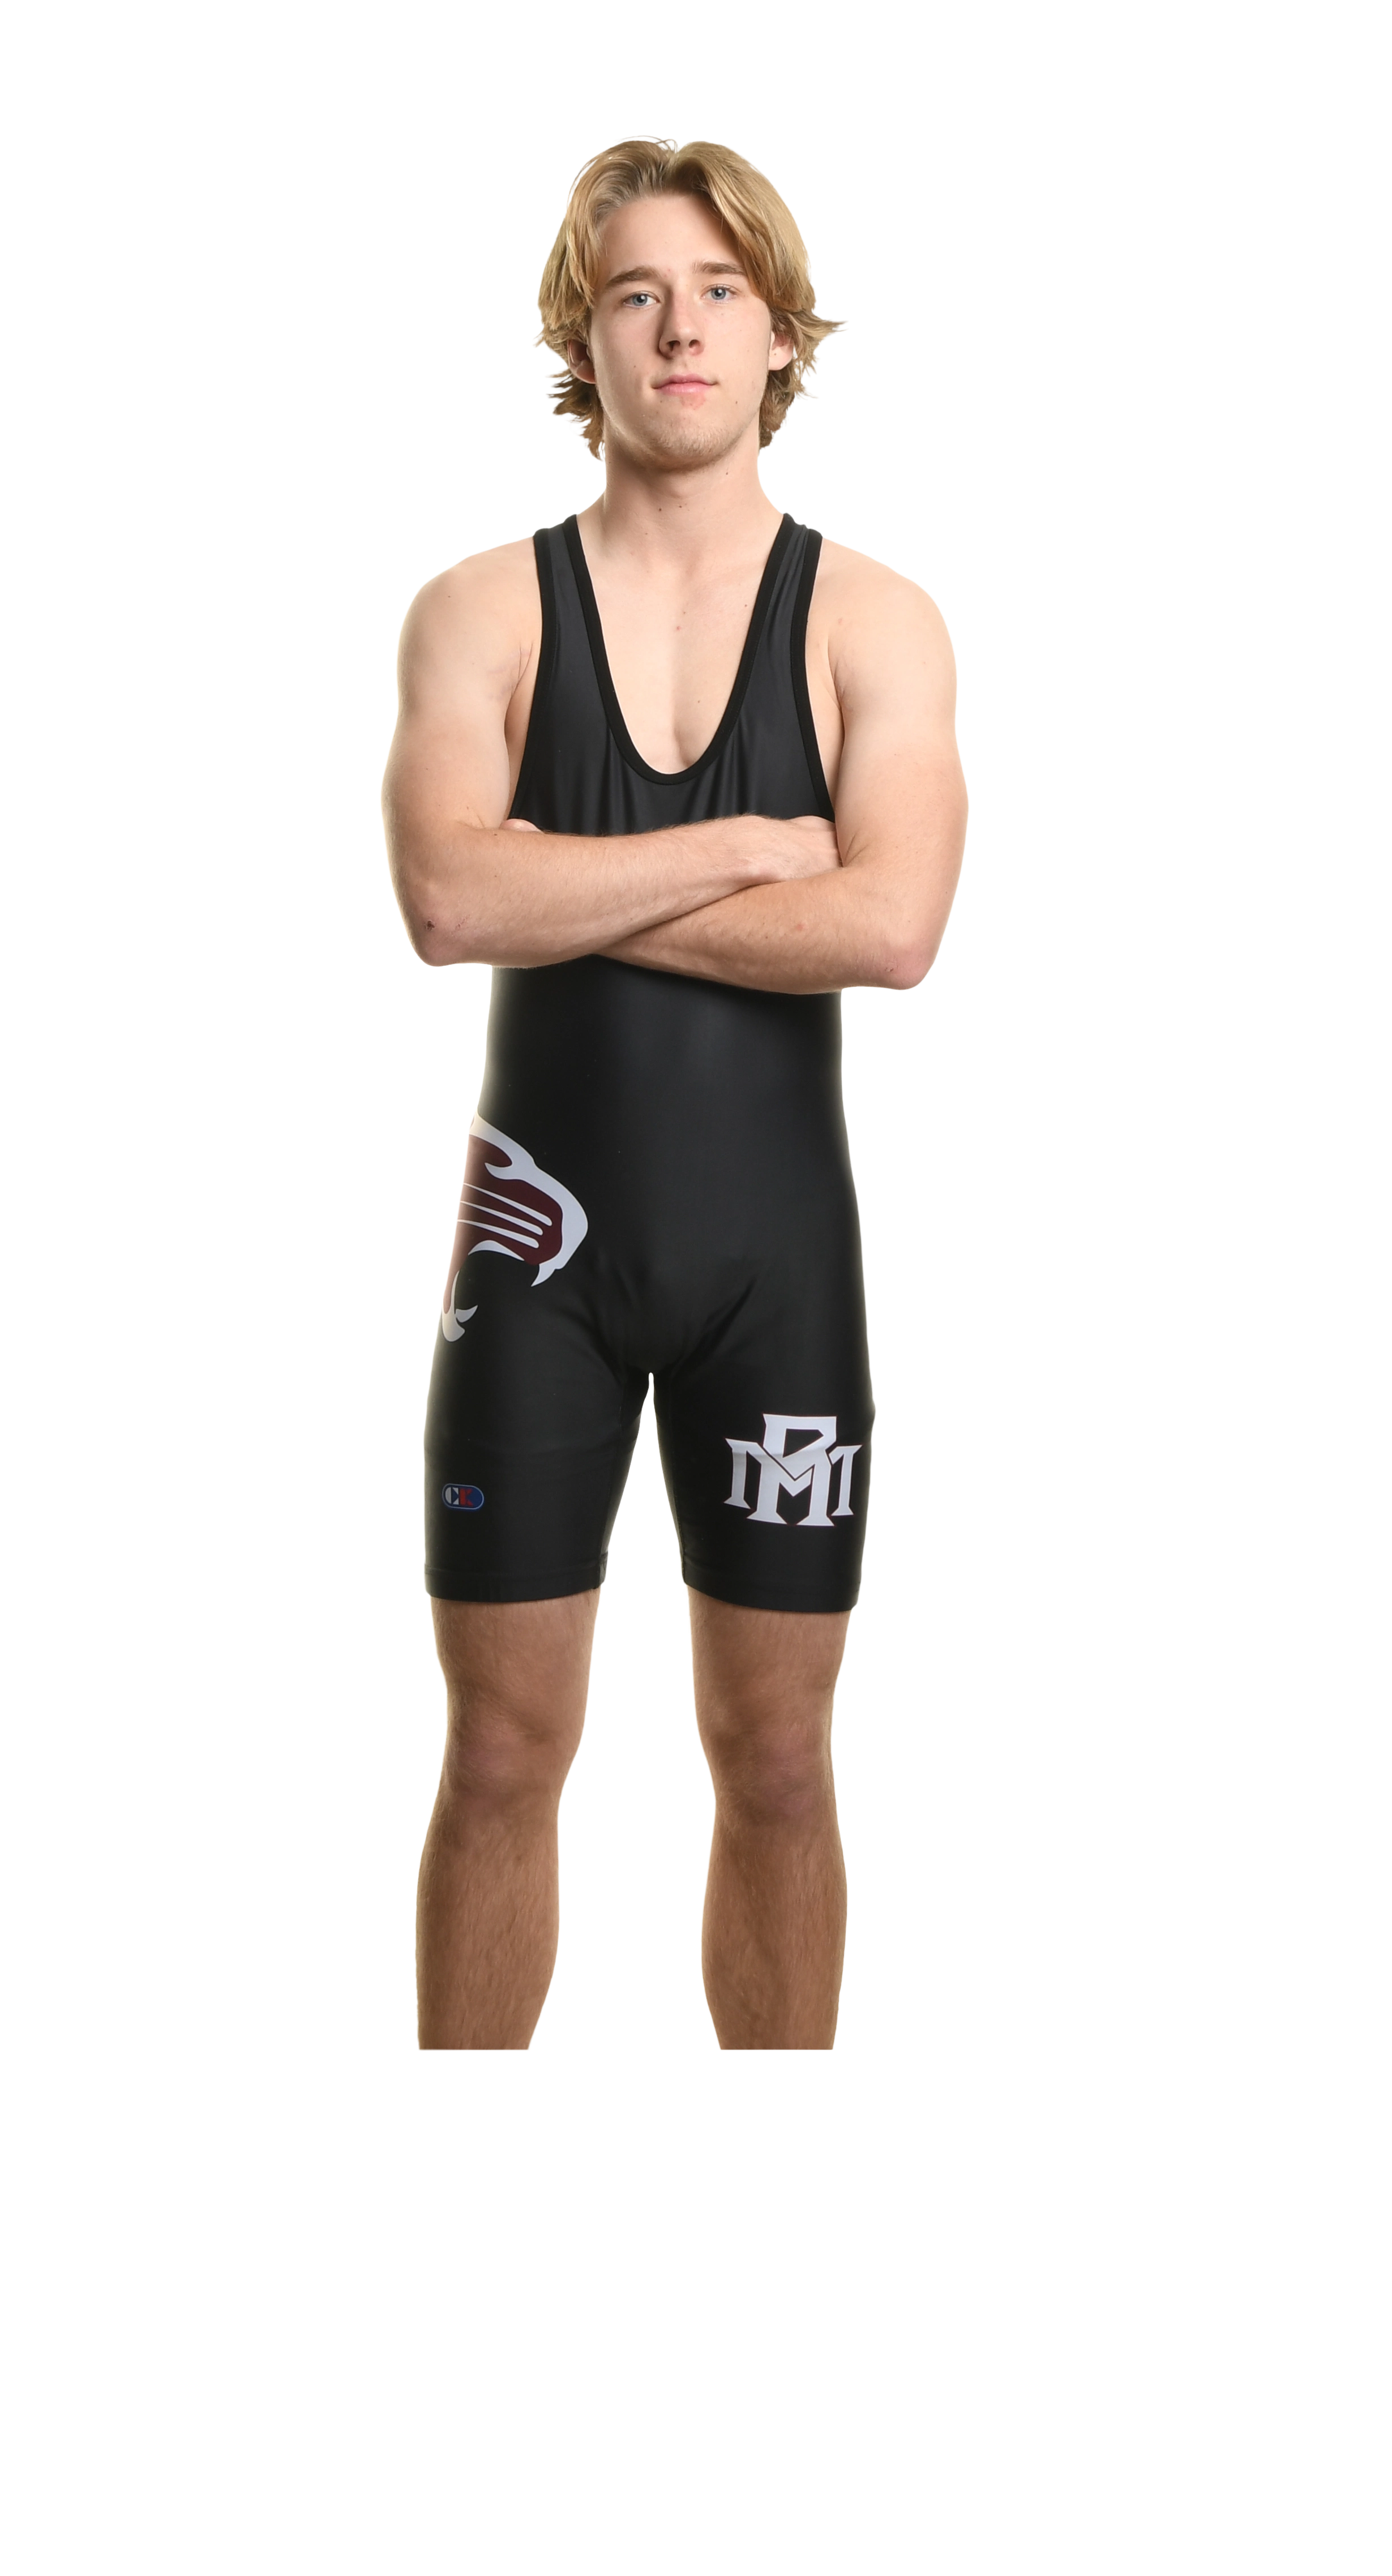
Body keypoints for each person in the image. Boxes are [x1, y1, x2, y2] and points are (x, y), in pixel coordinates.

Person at [369, 130, 966, 2246]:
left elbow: (893, 929)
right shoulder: (481, 609)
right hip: (535, 1259)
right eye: (636, 291)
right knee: (501, 1753)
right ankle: (448, 2225)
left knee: (780, 1757)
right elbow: (450, 902)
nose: (680, 326)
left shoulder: (873, 619)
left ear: (782, 336)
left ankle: (787, 2229)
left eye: (719, 291)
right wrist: (742, 847)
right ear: (583, 336)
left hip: (774, 1273)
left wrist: (576, 880)